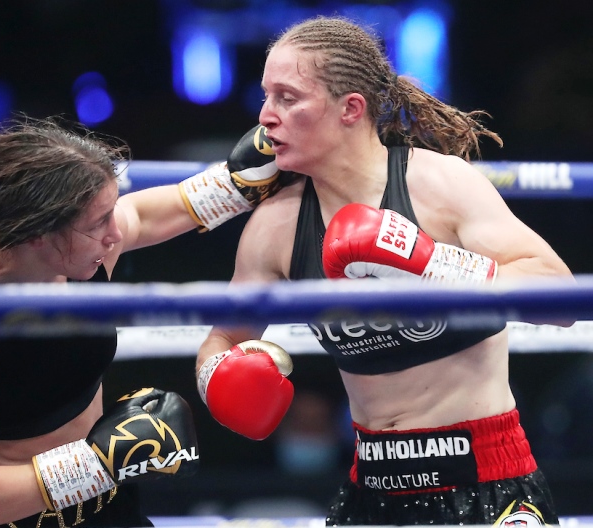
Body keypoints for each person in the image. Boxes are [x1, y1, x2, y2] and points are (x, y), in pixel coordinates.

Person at [195, 15, 573, 526]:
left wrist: (432, 264)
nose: (265, 116)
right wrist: (217, 378)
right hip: (370, 491)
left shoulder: (439, 185)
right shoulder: (276, 227)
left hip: (486, 482)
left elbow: (559, 297)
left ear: (351, 109)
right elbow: (224, 338)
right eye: (266, 96)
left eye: (287, 98)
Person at [0, 114, 287, 528]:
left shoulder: (76, 251)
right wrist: (101, 461)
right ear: (38, 233)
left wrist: (234, 184)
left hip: (104, 505)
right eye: (98, 222)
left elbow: (143, 215)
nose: (115, 233)